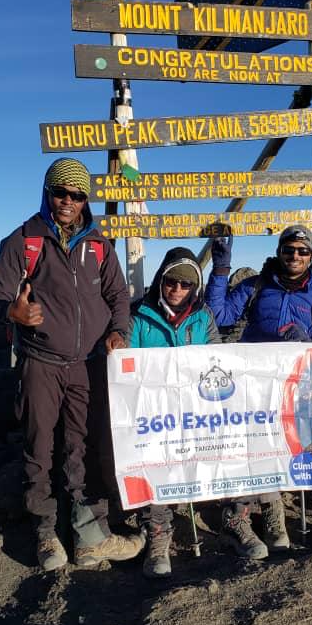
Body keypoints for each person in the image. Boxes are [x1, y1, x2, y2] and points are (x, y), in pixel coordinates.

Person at [0, 157, 144, 571]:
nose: (67, 201)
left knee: (84, 447)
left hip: (88, 364)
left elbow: (118, 297)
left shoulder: (99, 245)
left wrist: (118, 333)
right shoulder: (23, 241)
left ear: (85, 199)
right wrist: (12, 314)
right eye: (60, 192)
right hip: (40, 362)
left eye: (76, 195)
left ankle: (89, 537)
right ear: (47, 192)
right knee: (39, 445)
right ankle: (45, 533)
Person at [205, 225, 312, 555]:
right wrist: (221, 270)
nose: (295, 256)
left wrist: (307, 344)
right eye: (289, 249)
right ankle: (253, 514)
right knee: (251, 444)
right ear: (279, 251)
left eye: (303, 251)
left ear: (311, 257)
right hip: (256, 384)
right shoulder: (255, 285)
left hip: (301, 386)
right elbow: (219, 315)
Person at [129, 246, 221, 578]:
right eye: (171, 282)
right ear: (161, 279)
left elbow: (216, 358)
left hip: (193, 409)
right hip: (152, 410)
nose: (177, 290)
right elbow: (127, 361)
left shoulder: (203, 316)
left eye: (186, 285)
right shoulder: (138, 314)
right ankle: (157, 533)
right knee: (153, 465)